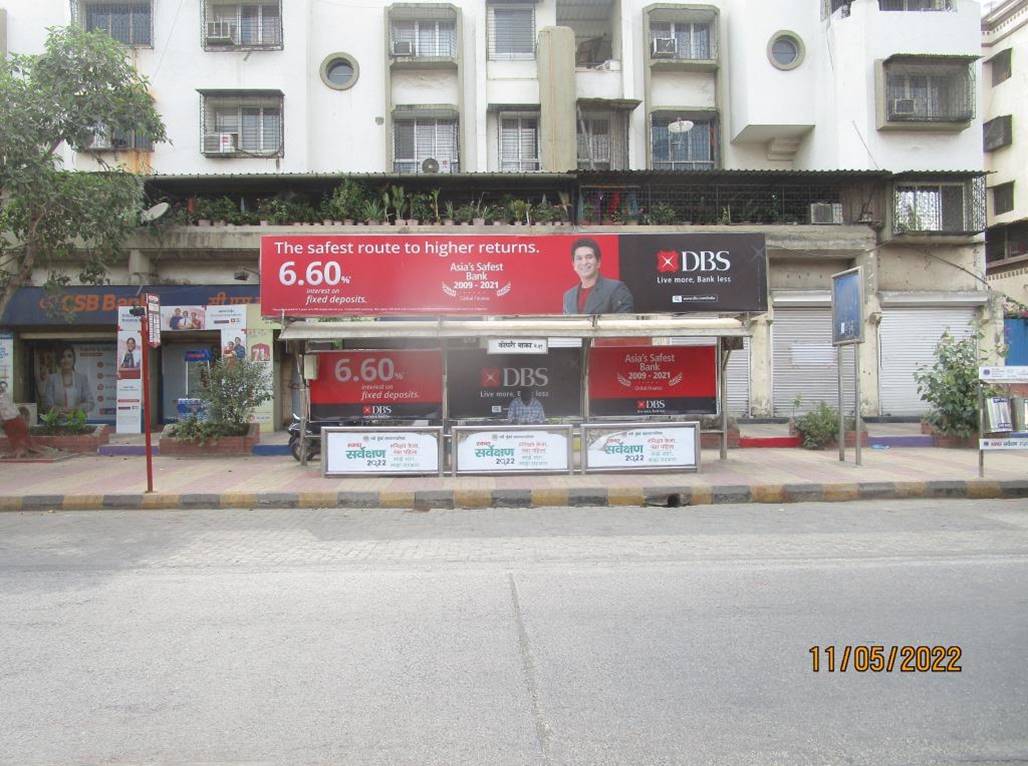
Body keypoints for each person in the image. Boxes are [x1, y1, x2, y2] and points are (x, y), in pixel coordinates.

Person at [562, 238, 633, 315]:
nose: (584, 262)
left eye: (589, 257)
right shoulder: (568, 296)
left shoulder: (616, 289)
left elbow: (623, 324)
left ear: (598, 262)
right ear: (573, 264)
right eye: (579, 258)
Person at [41, 344, 95, 415]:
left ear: (73, 359)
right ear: (59, 360)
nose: (66, 360)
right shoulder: (52, 379)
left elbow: (90, 403)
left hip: (78, 423)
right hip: (57, 422)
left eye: (69, 356)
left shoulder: (81, 378)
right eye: (63, 357)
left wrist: (75, 409)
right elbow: (47, 404)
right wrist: (59, 410)